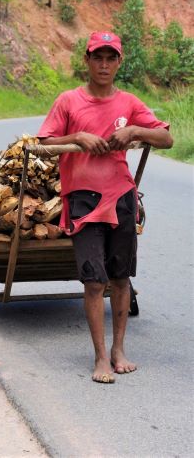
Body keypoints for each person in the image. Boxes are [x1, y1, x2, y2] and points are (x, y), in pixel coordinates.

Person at [37, 31, 173, 383]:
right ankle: (100, 356)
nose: (103, 64)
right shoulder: (69, 101)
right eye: (98, 57)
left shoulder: (129, 103)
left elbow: (167, 138)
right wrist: (77, 138)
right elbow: (41, 146)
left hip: (122, 197)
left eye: (110, 58)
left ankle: (119, 350)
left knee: (120, 277)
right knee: (94, 281)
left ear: (118, 62)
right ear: (87, 59)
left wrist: (134, 133)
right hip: (81, 198)